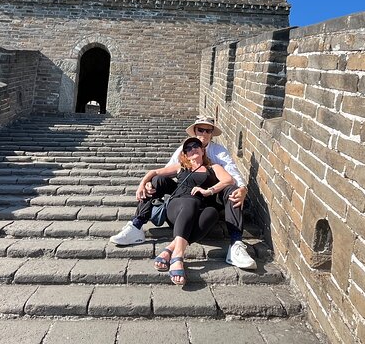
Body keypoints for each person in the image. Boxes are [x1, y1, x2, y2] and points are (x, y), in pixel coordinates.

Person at [110, 116, 257, 270]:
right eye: (201, 130)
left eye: (208, 131)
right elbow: (160, 171)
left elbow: (231, 176)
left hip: (209, 199)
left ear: (208, 140)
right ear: (194, 132)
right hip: (182, 197)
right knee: (159, 181)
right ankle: (137, 225)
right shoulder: (183, 157)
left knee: (233, 192)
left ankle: (235, 244)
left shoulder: (218, 155)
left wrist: (241, 189)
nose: (204, 134)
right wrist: (145, 183)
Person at [121, 137, 234, 285]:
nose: (192, 149)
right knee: (191, 202)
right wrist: (142, 184)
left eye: (196, 146)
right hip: (177, 208)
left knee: (212, 213)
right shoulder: (181, 167)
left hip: (199, 212)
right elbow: (155, 172)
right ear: (185, 154)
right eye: (188, 148)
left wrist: (209, 191)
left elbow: (229, 180)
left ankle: (169, 249)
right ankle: (178, 257)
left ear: (203, 150)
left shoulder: (213, 167)